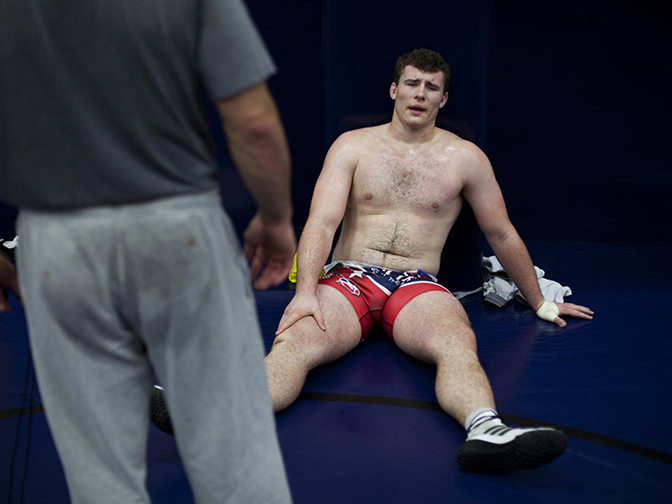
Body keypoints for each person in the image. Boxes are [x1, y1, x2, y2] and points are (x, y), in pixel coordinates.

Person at [151, 48, 594, 472]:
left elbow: (501, 233)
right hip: (349, 278)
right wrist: (305, 294)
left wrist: (539, 301)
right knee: (296, 344)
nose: (420, 93)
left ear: (444, 98)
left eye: (431, 87)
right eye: (412, 83)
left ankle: (486, 431)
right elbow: (321, 223)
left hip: (417, 283)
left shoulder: (465, 158)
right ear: (393, 90)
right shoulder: (353, 146)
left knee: (456, 343)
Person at [0, 1, 294, 503]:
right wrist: (276, 218)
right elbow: (254, 123)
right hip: (177, 230)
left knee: (101, 477)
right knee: (239, 469)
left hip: (56, 243)